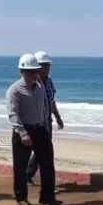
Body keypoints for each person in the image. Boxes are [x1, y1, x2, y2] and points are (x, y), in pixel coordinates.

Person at [6, 53, 61, 205]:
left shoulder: (40, 87)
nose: (34, 74)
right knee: (20, 167)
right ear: (22, 72)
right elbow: (13, 113)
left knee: (47, 164)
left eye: (36, 70)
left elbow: (45, 107)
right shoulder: (15, 90)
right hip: (23, 131)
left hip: (40, 128)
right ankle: (21, 197)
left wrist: (46, 124)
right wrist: (22, 133)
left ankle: (47, 198)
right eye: (30, 71)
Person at [26, 50, 64, 184]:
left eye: (48, 65)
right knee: (40, 149)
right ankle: (30, 175)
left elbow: (51, 101)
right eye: (45, 65)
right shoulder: (32, 84)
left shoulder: (49, 82)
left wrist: (58, 117)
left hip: (46, 121)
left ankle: (29, 174)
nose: (48, 68)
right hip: (35, 122)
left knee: (44, 149)